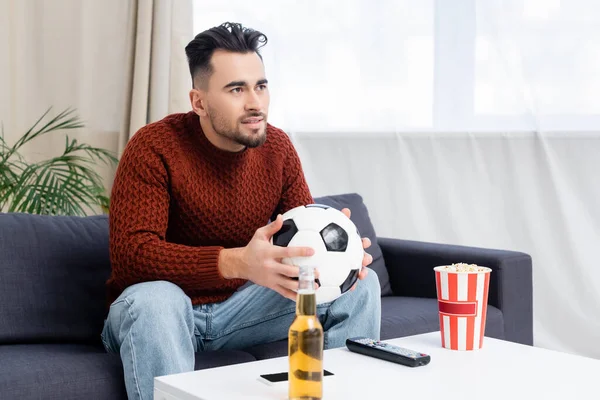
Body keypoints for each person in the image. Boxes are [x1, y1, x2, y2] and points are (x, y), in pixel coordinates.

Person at [101, 22, 381, 400]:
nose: (255, 103)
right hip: (160, 316)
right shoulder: (154, 147)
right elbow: (133, 258)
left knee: (360, 287)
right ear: (199, 101)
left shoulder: (278, 149)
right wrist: (236, 263)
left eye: (260, 86)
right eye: (236, 89)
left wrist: (339, 258)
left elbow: (300, 237)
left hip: (241, 313)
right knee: (157, 300)